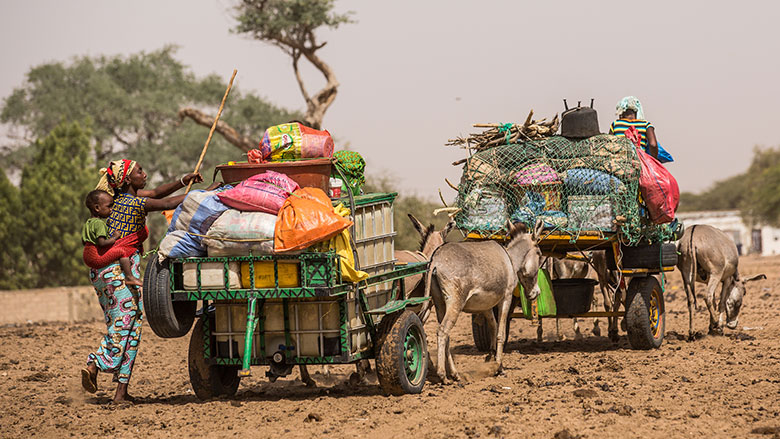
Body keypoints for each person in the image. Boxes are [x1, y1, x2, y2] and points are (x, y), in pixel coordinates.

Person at [81, 159, 217, 404]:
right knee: (124, 323)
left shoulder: (122, 199)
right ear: (126, 180)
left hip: (105, 272)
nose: (144, 173)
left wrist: (183, 181)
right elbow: (165, 202)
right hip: (117, 270)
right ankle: (95, 363)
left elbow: (155, 193)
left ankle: (121, 392)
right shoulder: (133, 203)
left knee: (133, 325)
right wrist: (205, 193)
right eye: (139, 171)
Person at [82, 189, 142, 287]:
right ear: (97, 208)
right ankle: (129, 277)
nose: (111, 209)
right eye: (109, 206)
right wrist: (114, 237)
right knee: (122, 251)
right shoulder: (99, 223)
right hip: (95, 258)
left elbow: (84, 241)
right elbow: (102, 243)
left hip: (87, 256)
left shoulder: (89, 223)